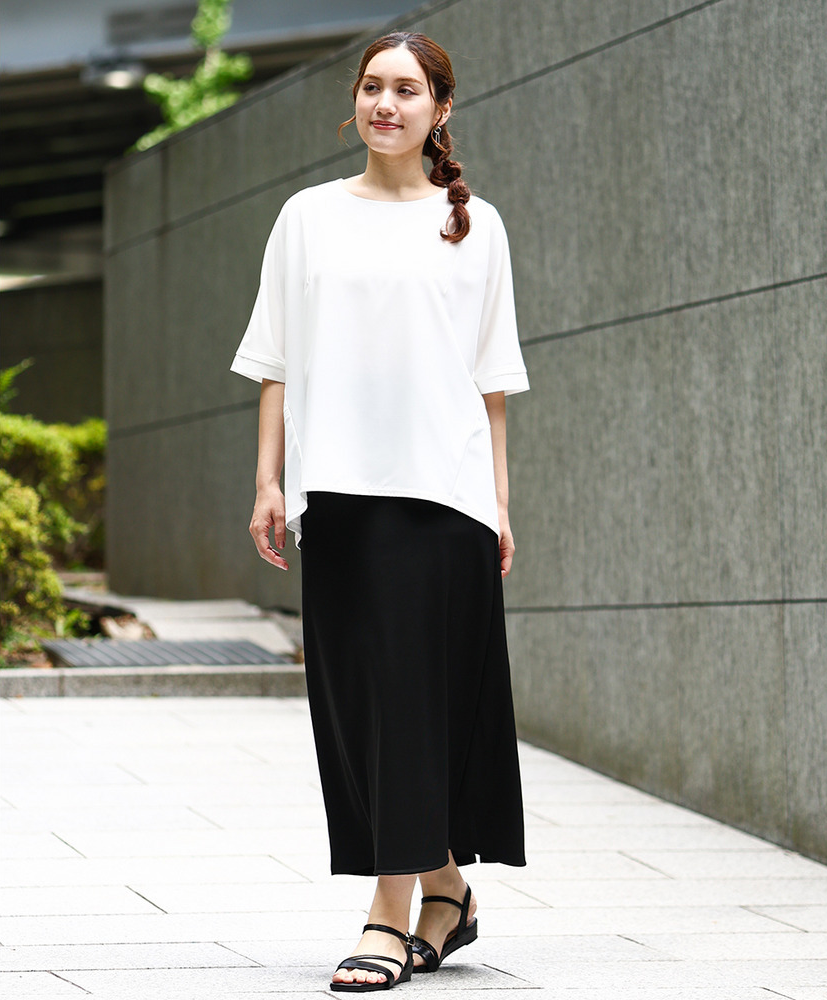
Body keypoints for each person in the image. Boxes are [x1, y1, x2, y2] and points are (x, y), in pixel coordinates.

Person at [230, 30, 529, 992]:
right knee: (361, 709)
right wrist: (270, 482)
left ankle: (386, 917)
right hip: (339, 494)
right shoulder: (306, 218)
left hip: (443, 498)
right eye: (371, 87)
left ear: (441, 108)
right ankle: (448, 893)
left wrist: (498, 503)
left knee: (410, 705)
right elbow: (274, 362)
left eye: (406, 89)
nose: (385, 104)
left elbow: (492, 381)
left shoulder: (477, 226)